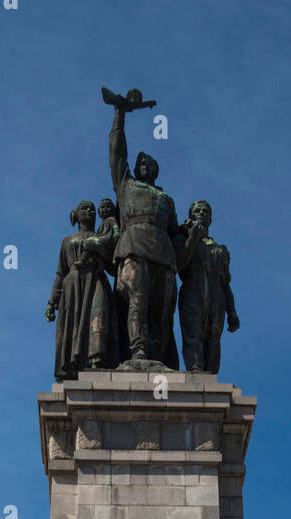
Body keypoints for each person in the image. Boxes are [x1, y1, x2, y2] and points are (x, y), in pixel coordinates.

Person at [106, 95, 179, 367]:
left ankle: (157, 358)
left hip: (164, 253)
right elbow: (116, 153)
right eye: (140, 162)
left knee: (161, 312)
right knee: (138, 300)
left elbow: (177, 234)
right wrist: (119, 115)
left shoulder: (166, 200)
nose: (143, 164)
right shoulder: (126, 186)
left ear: (156, 170)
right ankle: (138, 352)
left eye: (149, 162)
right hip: (134, 246)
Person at [44, 200, 119, 380]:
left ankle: (97, 361)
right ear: (76, 215)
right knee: (73, 323)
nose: (90, 211)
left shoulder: (102, 236)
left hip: (97, 279)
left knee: (98, 316)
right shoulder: (67, 241)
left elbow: (112, 264)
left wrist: (99, 247)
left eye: (93, 209)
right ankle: (71, 366)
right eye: (85, 208)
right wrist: (51, 302)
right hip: (73, 285)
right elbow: (60, 273)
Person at [177, 200, 239, 374]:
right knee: (193, 332)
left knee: (214, 336)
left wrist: (232, 312)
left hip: (216, 294)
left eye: (206, 211)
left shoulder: (221, 250)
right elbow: (180, 263)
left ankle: (211, 374)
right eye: (198, 211)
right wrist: (192, 236)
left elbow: (226, 284)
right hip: (192, 289)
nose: (202, 213)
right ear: (191, 216)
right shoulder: (183, 239)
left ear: (211, 219)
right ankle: (195, 368)